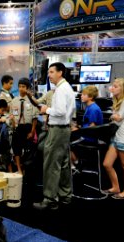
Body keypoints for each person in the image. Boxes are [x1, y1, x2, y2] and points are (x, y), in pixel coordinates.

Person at [33, 62, 76, 210]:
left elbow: (60, 111)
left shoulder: (61, 89)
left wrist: (47, 109)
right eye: (49, 72)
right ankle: (65, 195)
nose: (49, 75)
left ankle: (50, 199)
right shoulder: (66, 88)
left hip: (58, 129)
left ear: (60, 73)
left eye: (52, 72)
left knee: (51, 164)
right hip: (64, 129)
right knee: (63, 164)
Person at [102, 78, 124, 200]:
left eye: (116, 86)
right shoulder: (119, 101)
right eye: (113, 85)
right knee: (107, 164)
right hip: (117, 138)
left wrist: (111, 115)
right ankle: (116, 187)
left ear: (123, 89)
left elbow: (117, 118)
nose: (112, 88)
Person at [70, 85, 103, 169]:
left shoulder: (93, 109)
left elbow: (92, 128)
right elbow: (87, 123)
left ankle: (75, 163)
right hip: (87, 135)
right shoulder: (90, 107)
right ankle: (75, 162)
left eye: (84, 94)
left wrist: (78, 130)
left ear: (91, 97)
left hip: (89, 138)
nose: (81, 96)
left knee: (64, 140)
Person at [10, 77, 39, 175]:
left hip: (28, 127)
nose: (21, 89)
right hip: (18, 127)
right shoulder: (14, 101)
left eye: (23, 87)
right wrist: (14, 125)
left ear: (27, 88)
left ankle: (27, 168)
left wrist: (32, 131)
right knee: (16, 148)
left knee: (28, 150)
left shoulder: (32, 100)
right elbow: (14, 115)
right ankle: (19, 168)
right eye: (19, 86)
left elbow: (35, 118)